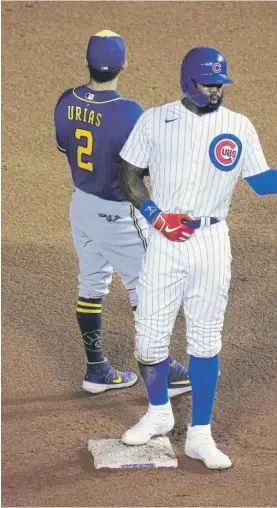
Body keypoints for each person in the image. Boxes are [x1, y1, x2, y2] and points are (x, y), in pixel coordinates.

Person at [117, 46, 277, 469]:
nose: (217, 91)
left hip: (212, 244)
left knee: (205, 340)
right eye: (209, 84)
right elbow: (128, 173)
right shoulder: (155, 120)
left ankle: (200, 434)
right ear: (188, 82)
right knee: (149, 339)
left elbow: (260, 182)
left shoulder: (238, 126)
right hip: (166, 241)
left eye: (221, 84)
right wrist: (156, 217)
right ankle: (158, 413)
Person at [54, 30, 191, 397]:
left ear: (86, 62)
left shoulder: (66, 101)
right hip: (117, 212)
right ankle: (162, 371)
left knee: (91, 283)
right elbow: (143, 170)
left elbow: (63, 146)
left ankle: (96, 368)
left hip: (81, 205)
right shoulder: (129, 112)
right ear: (124, 64)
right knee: (145, 287)